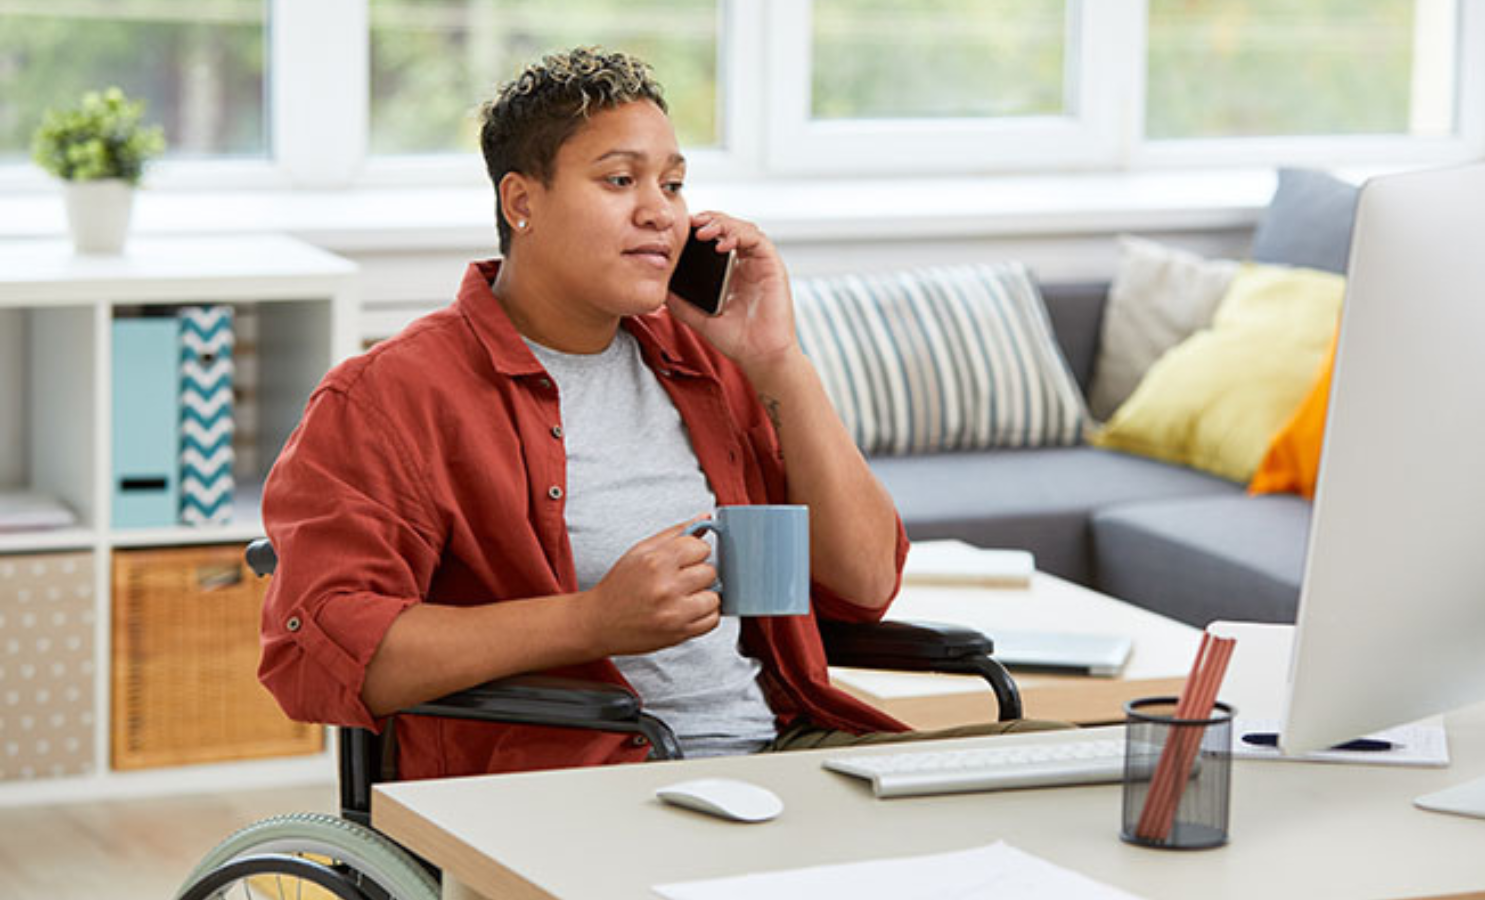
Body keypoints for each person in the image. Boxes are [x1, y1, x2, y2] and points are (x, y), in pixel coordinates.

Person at [259, 46, 1052, 781]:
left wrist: (780, 362)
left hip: (779, 754)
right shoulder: (390, 397)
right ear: (521, 201)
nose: (661, 214)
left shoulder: (703, 361)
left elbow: (866, 580)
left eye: (672, 185)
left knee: (1074, 784)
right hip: (581, 783)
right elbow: (323, 650)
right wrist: (592, 621)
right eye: (619, 181)